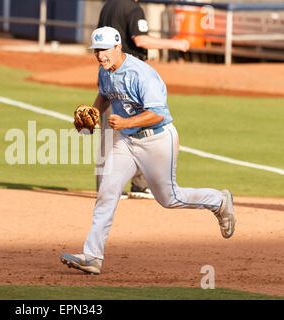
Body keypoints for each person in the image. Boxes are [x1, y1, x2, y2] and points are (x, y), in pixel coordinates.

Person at [60, 27, 235, 275]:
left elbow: (158, 113)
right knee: (107, 192)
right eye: (96, 50)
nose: (100, 56)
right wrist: (95, 113)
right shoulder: (105, 70)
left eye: (104, 50)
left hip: (158, 141)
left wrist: (125, 123)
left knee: (169, 198)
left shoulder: (141, 74)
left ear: (118, 47)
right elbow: (104, 95)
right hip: (127, 142)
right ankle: (92, 256)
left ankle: (218, 201)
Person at [96, 0, 190, 199]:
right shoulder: (133, 8)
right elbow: (140, 40)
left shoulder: (109, 5)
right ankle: (128, 186)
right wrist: (175, 43)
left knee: (120, 132)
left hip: (111, 73)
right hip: (129, 76)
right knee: (133, 128)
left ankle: (122, 185)